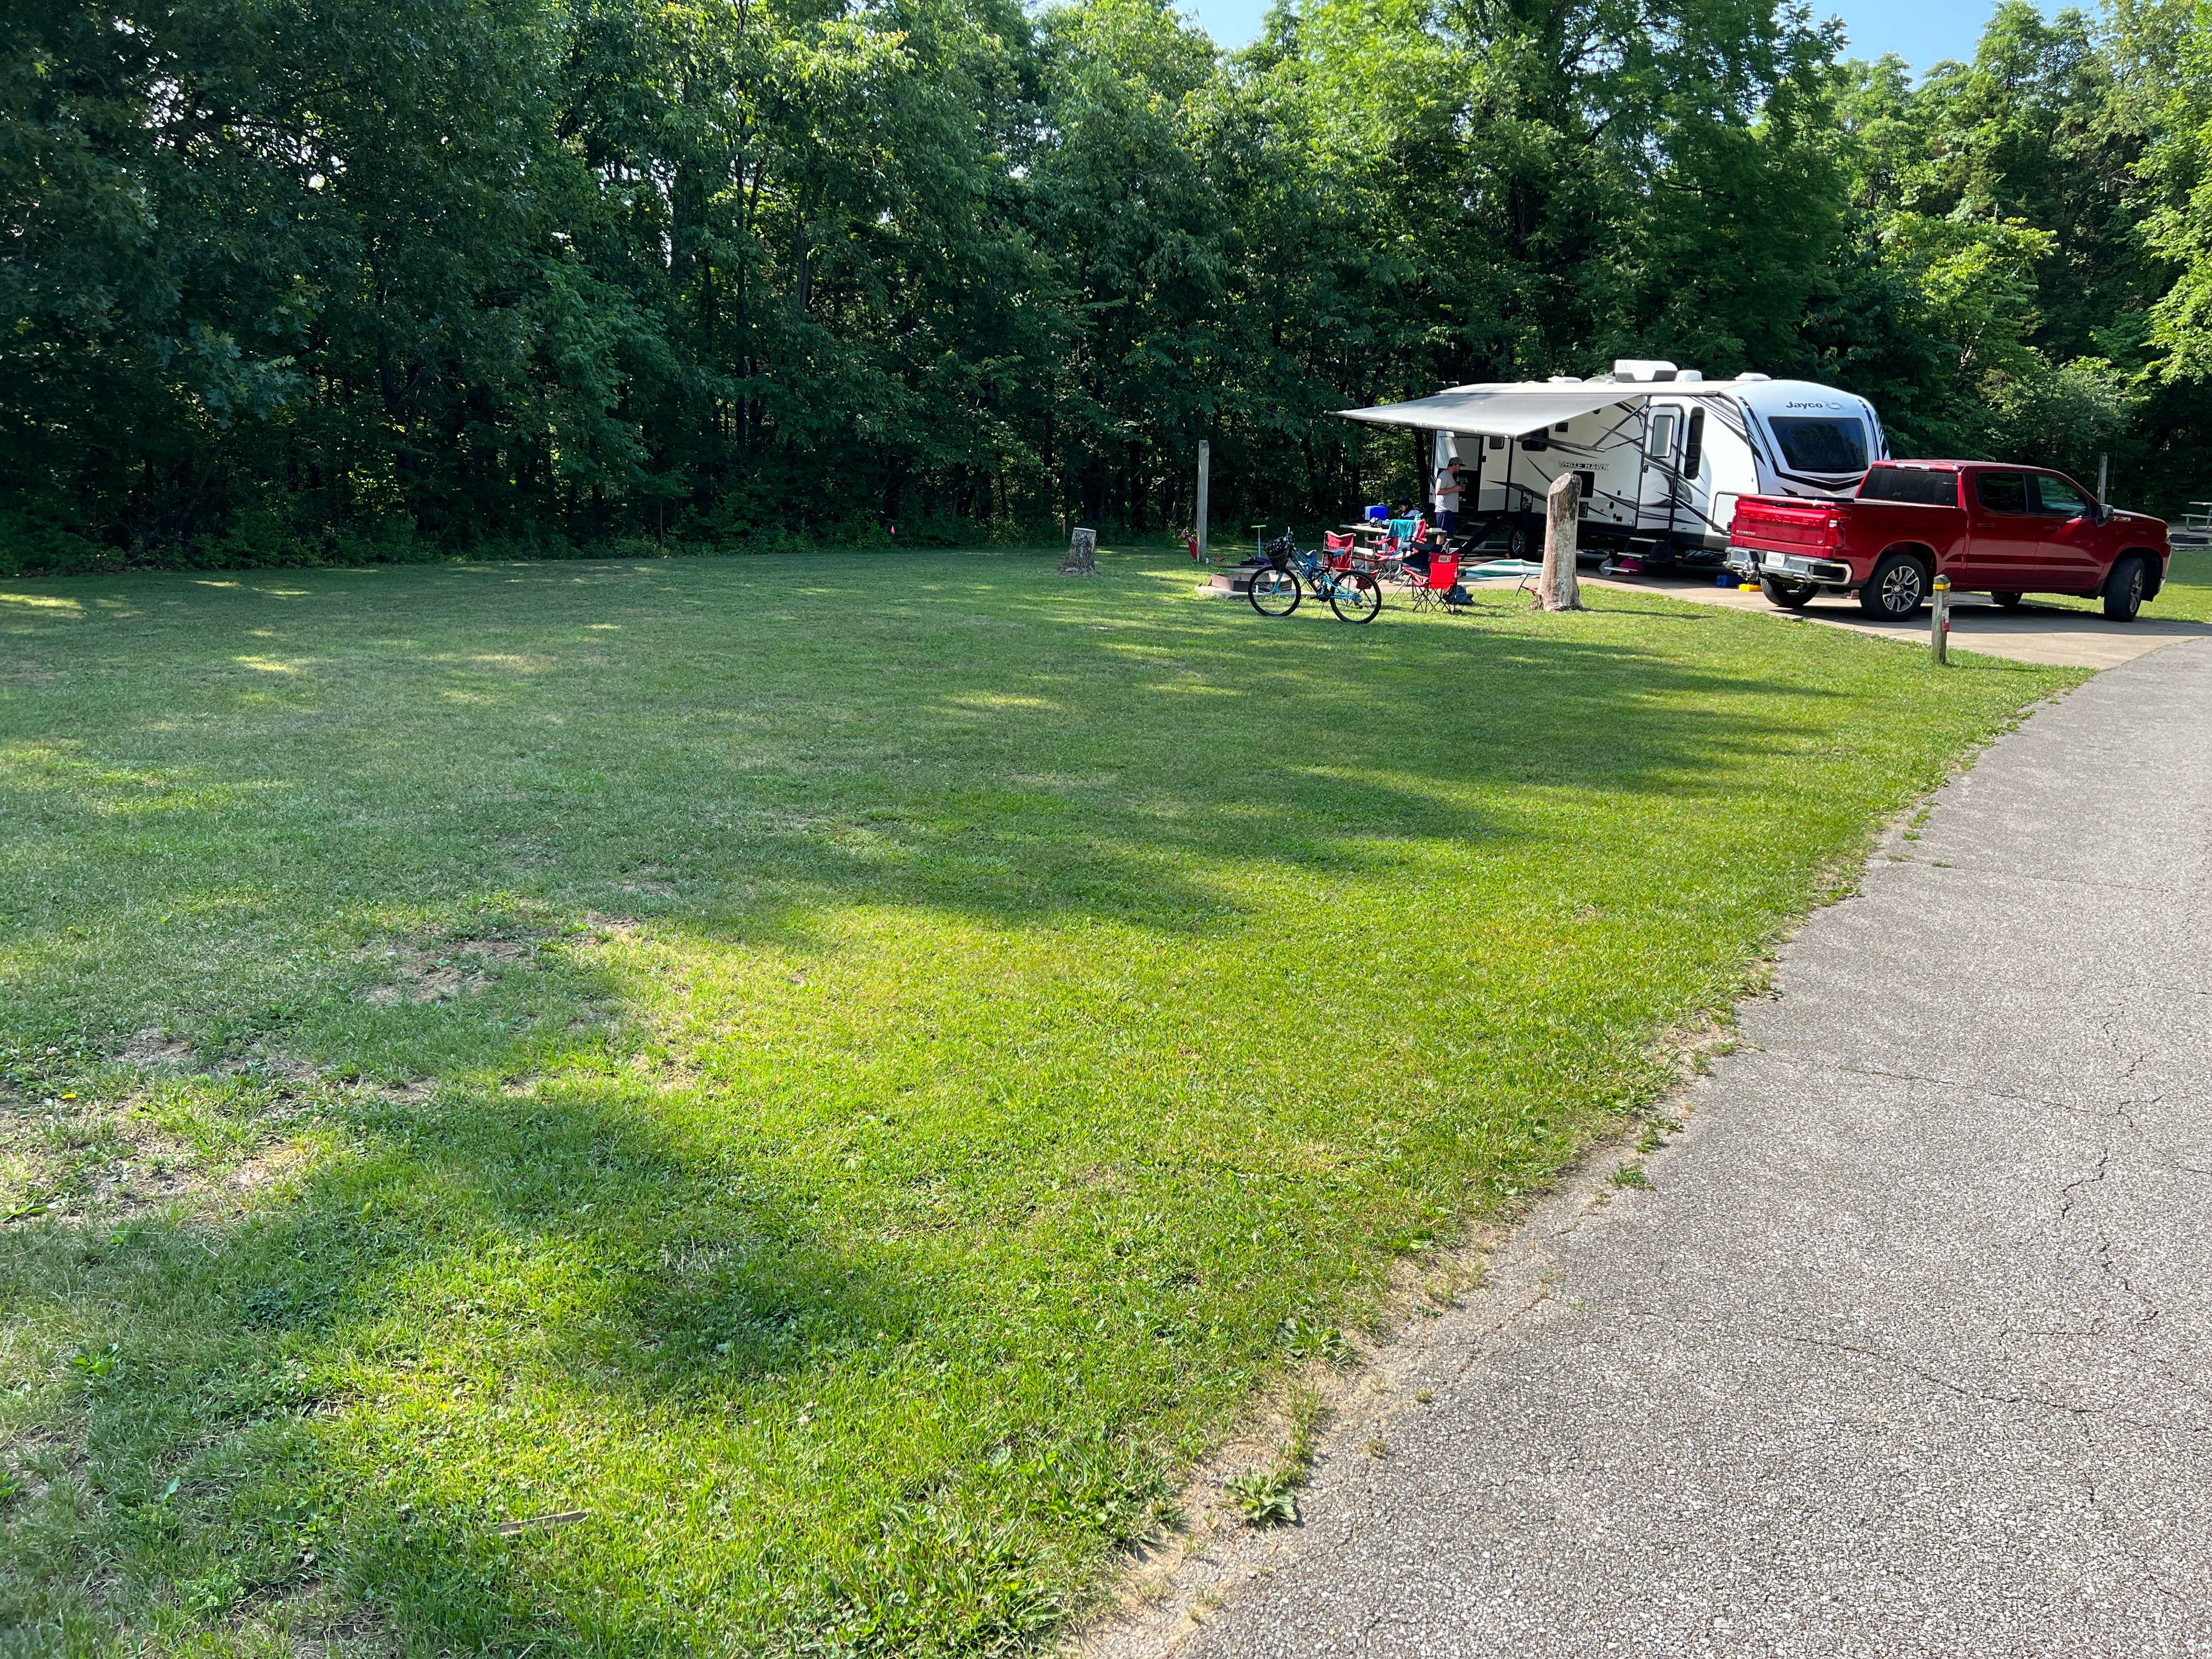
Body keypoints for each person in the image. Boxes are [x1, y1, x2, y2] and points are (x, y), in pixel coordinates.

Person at [1433, 455, 1467, 535]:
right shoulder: (1444, 475)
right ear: (1454, 465)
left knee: (1448, 533)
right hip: (1444, 510)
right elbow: (1438, 491)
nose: (1460, 469)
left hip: (1449, 510)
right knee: (1442, 533)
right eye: (1459, 466)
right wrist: (1454, 489)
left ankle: (1444, 547)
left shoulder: (1450, 475)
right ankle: (1439, 547)